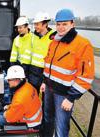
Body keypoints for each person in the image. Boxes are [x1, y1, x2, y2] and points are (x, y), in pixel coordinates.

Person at [40, 9, 95, 137]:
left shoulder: (82, 44)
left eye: (64, 24)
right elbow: (48, 64)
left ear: (72, 24)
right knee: (48, 119)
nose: (60, 27)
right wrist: (44, 82)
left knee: (61, 128)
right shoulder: (54, 41)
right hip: (49, 88)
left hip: (64, 95)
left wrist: (71, 98)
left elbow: (86, 76)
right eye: (58, 24)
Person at [28, 12, 54, 93]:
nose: (35, 26)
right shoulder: (32, 37)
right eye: (34, 24)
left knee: (45, 100)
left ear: (45, 24)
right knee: (32, 98)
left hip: (46, 74)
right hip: (33, 73)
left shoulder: (53, 37)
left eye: (37, 24)